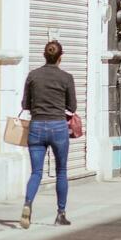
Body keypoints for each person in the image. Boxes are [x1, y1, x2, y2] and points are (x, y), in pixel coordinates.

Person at [20, 40, 76, 228]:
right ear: (60, 57)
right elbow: (72, 106)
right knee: (61, 171)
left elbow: (25, 105)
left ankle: (27, 204)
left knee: (36, 172)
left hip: (36, 127)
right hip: (58, 127)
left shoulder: (33, 75)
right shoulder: (66, 78)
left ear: (44, 55)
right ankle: (61, 214)